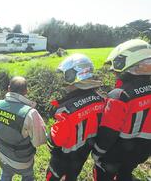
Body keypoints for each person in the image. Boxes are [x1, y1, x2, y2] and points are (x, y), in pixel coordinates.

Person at [92, 39, 151, 181]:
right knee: (125, 173)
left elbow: (108, 133)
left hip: (115, 154)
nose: (114, 73)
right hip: (143, 151)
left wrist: (97, 153)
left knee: (103, 175)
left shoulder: (119, 96)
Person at [46, 54, 105, 181]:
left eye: (66, 75)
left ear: (76, 76)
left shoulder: (66, 110)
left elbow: (56, 140)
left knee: (54, 176)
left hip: (64, 157)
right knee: (73, 175)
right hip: (83, 152)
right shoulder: (101, 100)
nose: (64, 80)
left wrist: (49, 133)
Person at [0, 76, 46, 181]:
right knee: (28, 177)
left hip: (3, 155)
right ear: (26, 91)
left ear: (8, 88)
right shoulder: (30, 113)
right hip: (23, 161)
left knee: (5, 175)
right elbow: (38, 141)